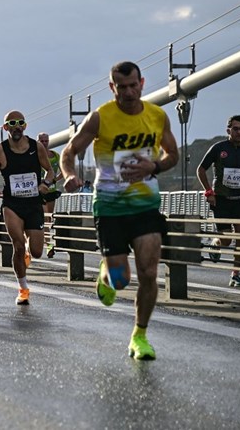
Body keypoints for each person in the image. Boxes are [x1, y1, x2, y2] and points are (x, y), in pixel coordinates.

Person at [61, 60, 179, 360]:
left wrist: (153, 166)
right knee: (121, 279)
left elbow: (172, 155)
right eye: (121, 87)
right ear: (113, 87)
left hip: (145, 205)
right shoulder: (100, 118)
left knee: (149, 272)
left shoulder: (157, 116)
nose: (128, 92)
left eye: (133, 85)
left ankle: (139, 336)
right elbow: (69, 151)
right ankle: (106, 275)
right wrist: (70, 175)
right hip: (110, 207)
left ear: (142, 83)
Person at [0, 111, 55, 306]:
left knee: (37, 251)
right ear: (5, 127)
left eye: (20, 123)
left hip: (33, 204)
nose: (17, 126)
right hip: (12, 204)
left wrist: (45, 185)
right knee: (17, 245)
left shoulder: (36, 147)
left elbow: (50, 171)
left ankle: (26, 252)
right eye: (12, 123)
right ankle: (23, 289)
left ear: (24, 126)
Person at [196, 115, 240, 286]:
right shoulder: (219, 148)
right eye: (236, 128)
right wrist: (208, 191)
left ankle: (236, 274)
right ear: (228, 130)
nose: (239, 132)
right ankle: (215, 243)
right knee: (226, 240)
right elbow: (201, 169)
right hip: (222, 200)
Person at [37, 132, 65, 257]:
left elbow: (63, 171)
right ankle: (44, 243)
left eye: (46, 141)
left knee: (48, 219)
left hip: (51, 191)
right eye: (41, 141)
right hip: (38, 192)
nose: (44, 143)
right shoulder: (35, 155)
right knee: (43, 218)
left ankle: (48, 245)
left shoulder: (55, 155)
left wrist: (54, 180)